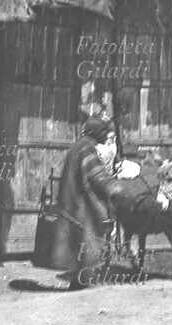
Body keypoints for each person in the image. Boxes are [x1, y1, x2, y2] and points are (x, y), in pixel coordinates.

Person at [51, 115, 125, 290]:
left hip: (72, 202)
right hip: (82, 205)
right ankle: (83, 283)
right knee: (89, 240)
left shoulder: (78, 146)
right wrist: (117, 189)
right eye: (104, 131)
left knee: (79, 243)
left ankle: (78, 281)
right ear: (96, 133)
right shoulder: (87, 148)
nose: (106, 135)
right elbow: (97, 177)